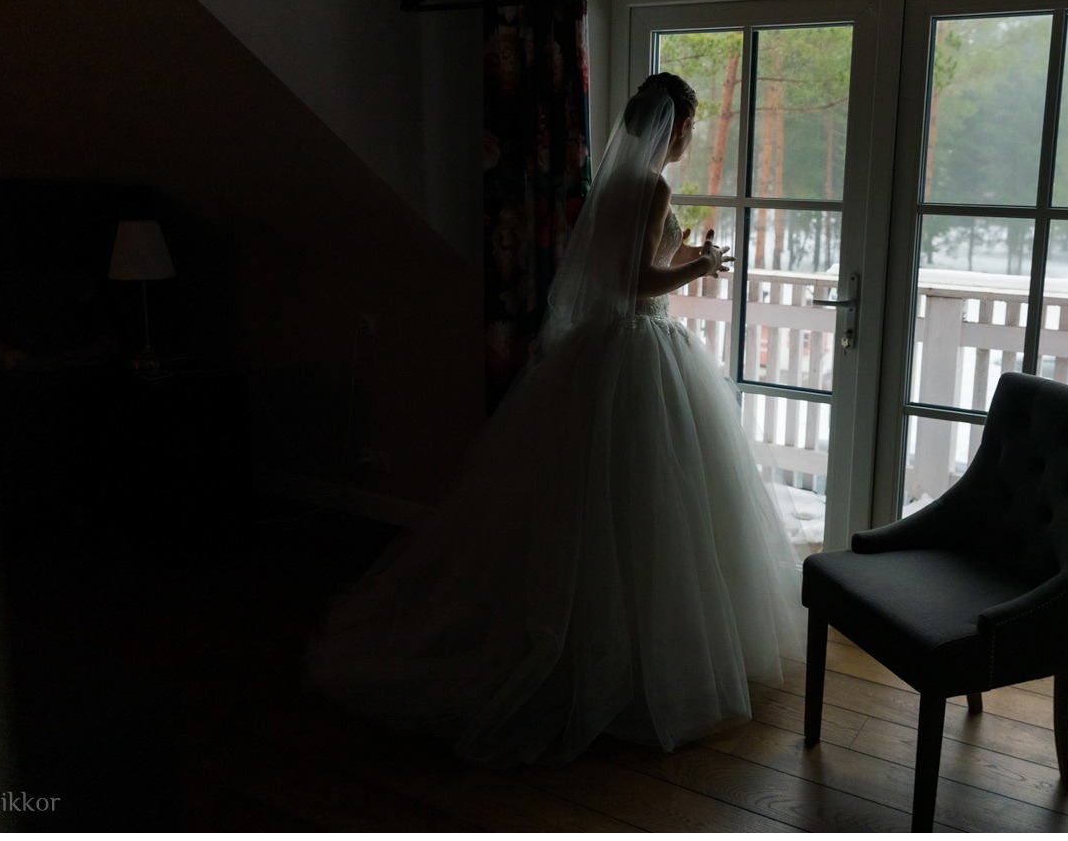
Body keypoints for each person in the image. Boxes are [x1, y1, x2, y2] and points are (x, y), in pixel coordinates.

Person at [306, 73, 805, 768]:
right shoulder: (654, 189)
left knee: (593, 506)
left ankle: (590, 639)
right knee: (649, 507)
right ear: (677, 127)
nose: (688, 139)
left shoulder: (613, 184)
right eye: (689, 127)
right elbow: (636, 283)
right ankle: (640, 660)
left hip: (600, 349)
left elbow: (623, 266)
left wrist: (690, 256)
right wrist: (695, 272)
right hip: (641, 346)